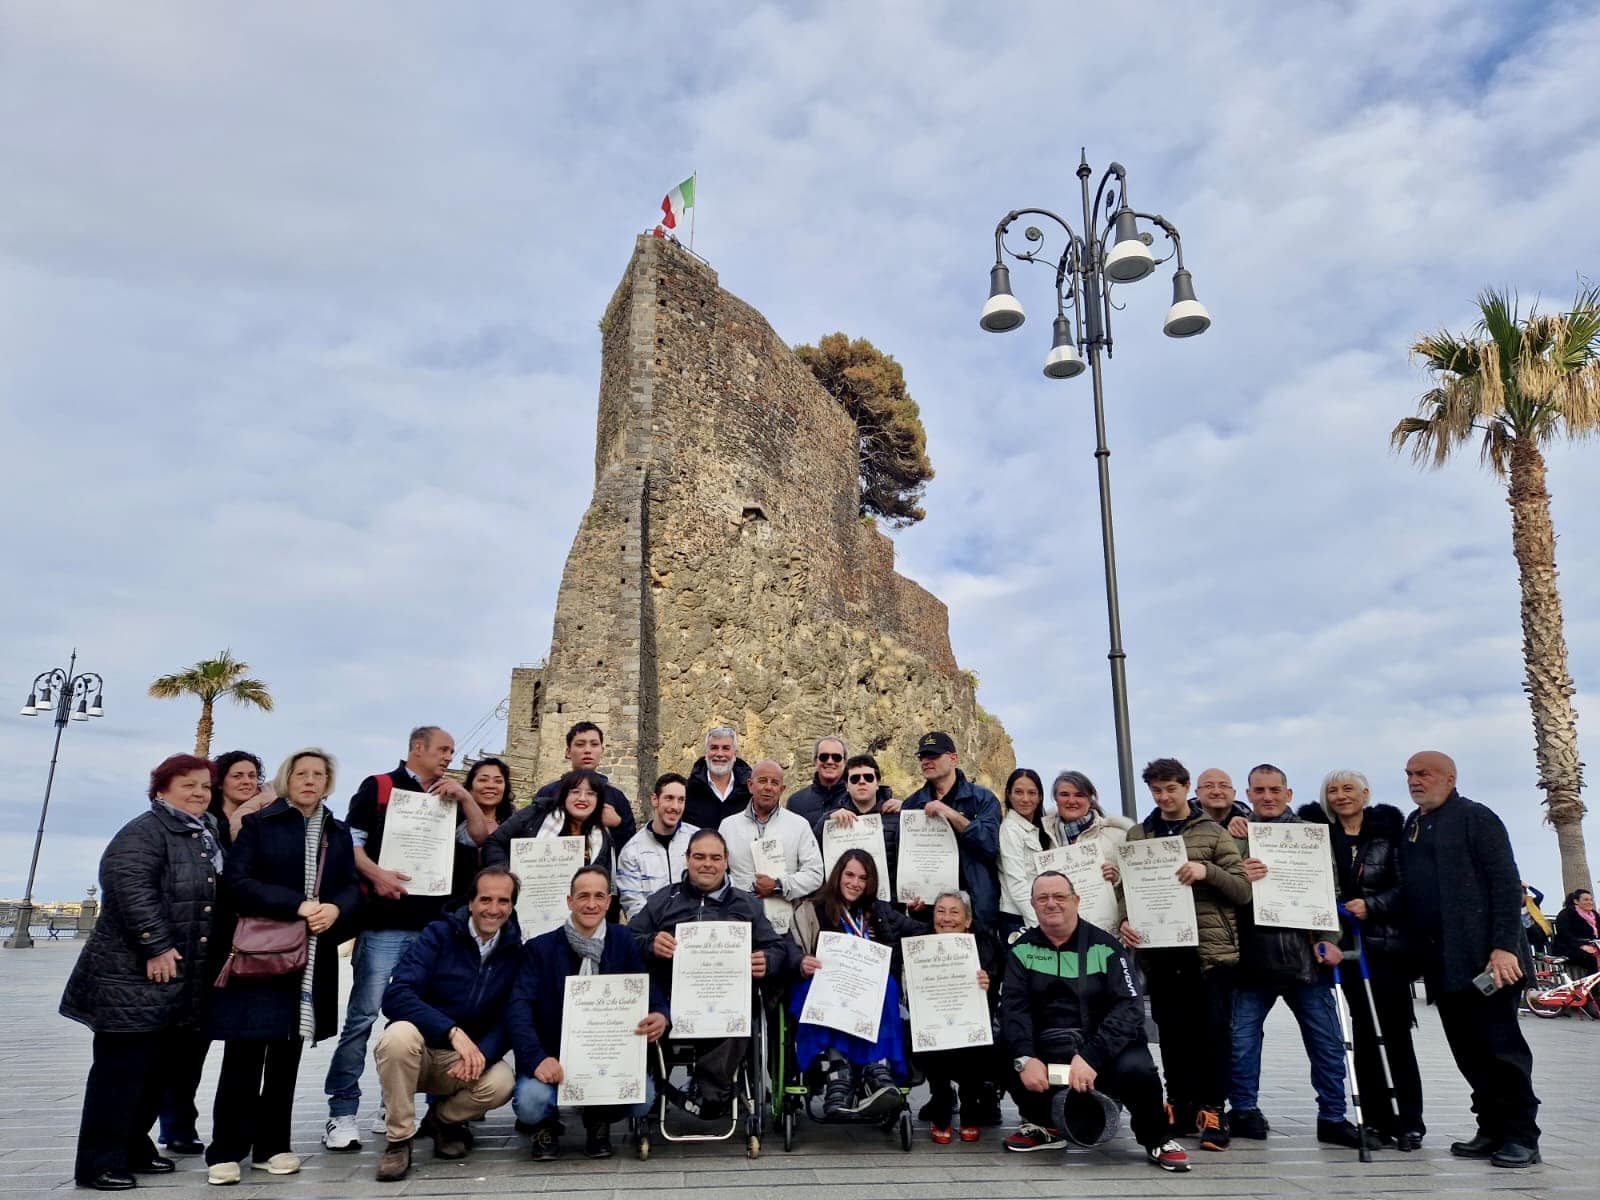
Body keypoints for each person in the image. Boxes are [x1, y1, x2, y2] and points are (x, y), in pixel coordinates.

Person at [62, 754, 221, 1191]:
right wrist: (155, 944)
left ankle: (133, 1145)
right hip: (130, 978)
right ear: (160, 790)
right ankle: (98, 1162)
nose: (199, 793)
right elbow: (128, 885)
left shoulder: (201, 834)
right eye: (188, 785)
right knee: (120, 1073)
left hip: (174, 981)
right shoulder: (144, 832)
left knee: (155, 1072)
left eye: (205, 786)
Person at [323, 726, 484, 1151]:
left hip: (434, 928)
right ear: (417, 749)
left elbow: (480, 837)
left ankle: (392, 1105)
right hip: (385, 925)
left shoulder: (450, 795)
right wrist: (378, 875)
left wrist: (466, 797)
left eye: (452, 750)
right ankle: (341, 1110)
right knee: (362, 1017)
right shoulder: (378, 788)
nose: (450, 757)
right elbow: (349, 846)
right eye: (443, 750)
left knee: (419, 1021)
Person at [207, 749, 361, 1185]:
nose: (309, 781)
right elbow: (238, 884)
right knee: (244, 1051)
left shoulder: (338, 832)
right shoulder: (259, 825)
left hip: (310, 956)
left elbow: (351, 886)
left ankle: (272, 1144)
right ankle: (226, 1148)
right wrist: (297, 904)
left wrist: (334, 909)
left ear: (328, 781)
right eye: (301, 773)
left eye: (319, 774)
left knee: (286, 1053)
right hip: (262, 953)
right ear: (287, 778)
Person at [1399, 751, 1540, 1168]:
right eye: (1409, 774)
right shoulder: (1414, 824)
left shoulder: (1477, 817)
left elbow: (1505, 883)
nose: (1414, 781)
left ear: (1449, 777)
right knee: (1468, 1051)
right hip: (1443, 964)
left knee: (1502, 1050)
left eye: (1423, 773)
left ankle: (1522, 1137)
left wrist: (1504, 947)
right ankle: (1491, 1128)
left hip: (1489, 964)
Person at [1001, 872, 1190, 1172]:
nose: (1051, 904)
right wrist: (1025, 1057)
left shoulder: (1106, 946)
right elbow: (1013, 1008)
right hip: (1050, 1047)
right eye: (1042, 898)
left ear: (1076, 901)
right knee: (1003, 1051)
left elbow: (1130, 1007)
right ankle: (1044, 1125)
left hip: (1101, 1049)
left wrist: (1092, 1056)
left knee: (1137, 1069)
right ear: (1033, 906)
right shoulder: (1021, 950)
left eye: (1059, 897)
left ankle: (1158, 1138)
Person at [1228, 764, 1361, 1148]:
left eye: (1274, 790)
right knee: (1242, 1042)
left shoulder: (1311, 837)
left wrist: (1330, 938)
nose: (1267, 797)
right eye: (1259, 790)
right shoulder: (1234, 837)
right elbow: (1222, 891)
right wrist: (1239, 870)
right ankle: (1244, 1110)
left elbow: (1328, 889)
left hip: (1307, 955)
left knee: (1327, 1041)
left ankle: (1333, 1116)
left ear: (1288, 793)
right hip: (1251, 956)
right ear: (1248, 794)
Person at [1120, 757, 1250, 1152]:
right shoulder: (1139, 835)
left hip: (1207, 951)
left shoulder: (1212, 832)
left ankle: (1212, 1110)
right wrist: (1125, 918)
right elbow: (1129, 888)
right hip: (1160, 951)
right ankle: (1176, 1104)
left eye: (1170, 789)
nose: (1164, 797)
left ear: (1186, 786)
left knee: (1212, 1033)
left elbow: (1243, 890)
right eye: (1157, 790)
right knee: (1171, 1033)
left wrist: (1206, 871)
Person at [628, 829, 798, 1117]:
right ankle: (698, 1089)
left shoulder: (747, 904)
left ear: (726, 861)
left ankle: (709, 1086)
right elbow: (627, 941)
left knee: (743, 1015)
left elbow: (776, 946)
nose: (707, 864)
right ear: (687, 860)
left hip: (728, 1002)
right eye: (699, 857)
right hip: (672, 1001)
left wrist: (766, 960)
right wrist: (650, 943)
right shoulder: (663, 900)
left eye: (715, 858)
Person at [1300, 770, 1425, 1149]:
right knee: (1363, 1036)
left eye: (1348, 789)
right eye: (1333, 790)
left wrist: (1372, 905)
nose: (1341, 796)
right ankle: (1374, 1119)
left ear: (1365, 793)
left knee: (1396, 1034)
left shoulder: (1389, 833)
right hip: (1342, 946)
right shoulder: (1316, 833)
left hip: (1384, 946)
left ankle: (1410, 1121)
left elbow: (1407, 885)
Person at [372, 867, 523, 1181]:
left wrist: (481, 1054)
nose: (493, 909)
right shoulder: (437, 935)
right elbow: (396, 995)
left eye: (503, 901)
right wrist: (451, 1031)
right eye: (485, 899)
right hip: (421, 1051)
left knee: (502, 1081)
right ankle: (399, 1140)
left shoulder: (515, 953)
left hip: (462, 1062)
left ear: (511, 906)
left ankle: (442, 1121)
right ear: (470, 902)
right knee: (398, 1035)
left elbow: (510, 1018)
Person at [510, 865, 671, 1159]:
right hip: (552, 1056)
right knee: (531, 1101)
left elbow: (650, 989)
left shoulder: (624, 941)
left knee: (643, 1098)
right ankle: (544, 1125)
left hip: (607, 1057)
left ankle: (599, 1120)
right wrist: (537, 1059)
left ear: (609, 902)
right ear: (569, 901)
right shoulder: (539, 949)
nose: (591, 904)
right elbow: (518, 1011)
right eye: (583, 896)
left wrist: (660, 1015)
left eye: (599, 896)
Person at [158, 749, 267, 1156]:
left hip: (247, 944)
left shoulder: (261, 823)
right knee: (190, 1041)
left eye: (253, 775)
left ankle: (240, 1124)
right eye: (237, 775)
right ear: (221, 781)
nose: (246, 782)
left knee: (244, 1041)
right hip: (206, 943)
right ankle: (177, 1125)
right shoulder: (205, 824)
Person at [789, 850, 920, 1116]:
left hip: (869, 990)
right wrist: (801, 961)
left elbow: (919, 930)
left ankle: (877, 1068)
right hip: (822, 985)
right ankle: (839, 1072)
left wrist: (935, 913)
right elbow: (788, 949)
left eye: (863, 877)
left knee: (889, 986)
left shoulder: (879, 910)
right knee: (827, 993)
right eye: (849, 874)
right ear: (838, 875)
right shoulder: (812, 908)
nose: (855, 883)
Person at [911, 890, 1004, 1143]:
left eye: (955, 912)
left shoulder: (985, 943)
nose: (946, 918)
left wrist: (989, 980)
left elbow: (999, 977)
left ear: (968, 920)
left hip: (972, 1019)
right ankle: (941, 1102)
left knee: (973, 1043)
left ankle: (969, 1107)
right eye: (940, 911)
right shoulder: (919, 943)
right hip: (934, 1018)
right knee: (932, 1038)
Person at [897, 732, 1002, 931]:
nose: (926, 761)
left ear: (953, 758)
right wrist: (914, 899)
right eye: (922, 757)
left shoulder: (983, 799)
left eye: (933, 756)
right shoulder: (911, 804)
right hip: (931, 914)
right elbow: (907, 857)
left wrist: (949, 813)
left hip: (977, 910)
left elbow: (989, 845)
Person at [720, 760, 825, 926]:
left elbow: (815, 874)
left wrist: (779, 886)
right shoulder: (728, 826)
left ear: (782, 789)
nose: (768, 787)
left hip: (787, 923)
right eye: (762, 781)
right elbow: (719, 873)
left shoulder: (799, 825)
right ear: (750, 785)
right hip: (739, 920)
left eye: (775, 783)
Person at [484, 768, 620, 881]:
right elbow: (494, 842)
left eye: (591, 794)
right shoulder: (535, 815)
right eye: (575, 792)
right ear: (564, 795)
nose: (582, 798)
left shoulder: (602, 838)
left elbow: (604, 879)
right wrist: (507, 876)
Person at [813, 754, 901, 901]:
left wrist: (908, 808)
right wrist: (826, 822)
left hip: (887, 905)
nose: (861, 782)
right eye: (855, 778)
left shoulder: (897, 816)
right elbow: (812, 851)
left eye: (868, 777)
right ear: (847, 786)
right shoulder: (833, 818)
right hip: (843, 907)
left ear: (877, 783)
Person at [530, 722, 636, 842]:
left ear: (602, 751)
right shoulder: (549, 792)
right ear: (568, 752)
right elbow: (530, 834)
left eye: (594, 744)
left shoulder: (616, 797)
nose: (587, 750)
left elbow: (630, 846)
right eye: (580, 744)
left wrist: (618, 824)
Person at [616, 772, 697, 919]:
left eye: (681, 800)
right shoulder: (632, 851)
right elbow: (633, 905)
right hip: (654, 935)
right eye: (669, 798)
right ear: (654, 799)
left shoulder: (697, 840)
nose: (675, 806)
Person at [447, 757, 516, 909]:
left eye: (498, 781)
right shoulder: (451, 822)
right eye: (483, 780)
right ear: (470, 787)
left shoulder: (516, 825)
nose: (491, 786)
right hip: (457, 904)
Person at [997, 768, 1049, 938]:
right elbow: (1017, 884)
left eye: (1032, 793)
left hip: (1039, 914)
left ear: (1040, 796)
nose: (1025, 799)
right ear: (1008, 795)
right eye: (1018, 792)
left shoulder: (1041, 830)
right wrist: (1039, 927)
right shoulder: (1010, 830)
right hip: (1019, 918)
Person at [683, 725, 752, 830]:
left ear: (734, 755)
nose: (720, 754)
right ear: (706, 754)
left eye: (726, 748)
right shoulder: (688, 791)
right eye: (714, 748)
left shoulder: (750, 791)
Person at [785, 736, 850, 825]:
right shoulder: (796, 802)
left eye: (836, 757)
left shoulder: (856, 798)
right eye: (824, 757)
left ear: (845, 762)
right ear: (815, 761)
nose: (830, 761)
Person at [1550, 888, 1598, 979]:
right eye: (1586, 900)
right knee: (1592, 960)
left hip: (1592, 946)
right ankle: (1592, 991)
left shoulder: (1594, 915)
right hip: (1568, 948)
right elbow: (1564, 934)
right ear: (1576, 901)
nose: (1590, 902)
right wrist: (1582, 946)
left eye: (1591, 900)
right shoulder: (1566, 913)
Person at [1193, 768, 1250, 836]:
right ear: (1197, 793)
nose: (1216, 792)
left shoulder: (1250, 821)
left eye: (1223, 786)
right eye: (1209, 786)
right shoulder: (1181, 821)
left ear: (1234, 793)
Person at [1522, 883, 1552, 953]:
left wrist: (1528, 886)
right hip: (1524, 933)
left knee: (1535, 930)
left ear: (1525, 895)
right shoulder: (1513, 907)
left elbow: (1540, 895)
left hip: (1536, 931)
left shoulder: (1533, 902)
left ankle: (1540, 954)